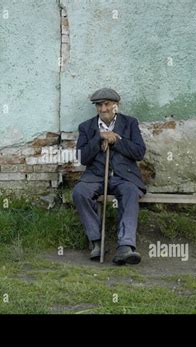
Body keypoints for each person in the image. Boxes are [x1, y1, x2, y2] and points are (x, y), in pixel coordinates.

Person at [72, 88, 147, 265]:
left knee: (130, 192)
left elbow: (139, 152)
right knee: (79, 192)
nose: (103, 109)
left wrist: (117, 140)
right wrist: (98, 139)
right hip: (96, 176)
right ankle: (97, 242)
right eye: (99, 105)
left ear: (116, 106)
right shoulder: (87, 127)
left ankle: (125, 247)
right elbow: (82, 158)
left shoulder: (130, 123)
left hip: (124, 177)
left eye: (107, 104)